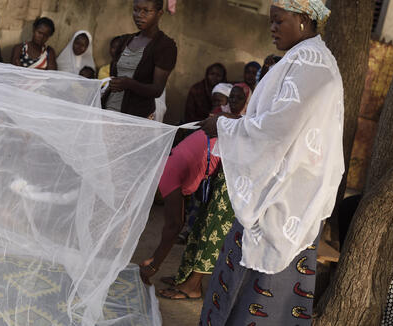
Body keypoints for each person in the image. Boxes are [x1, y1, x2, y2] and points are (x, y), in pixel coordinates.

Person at [198, 0, 343, 324]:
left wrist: (224, 125)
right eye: (270, 22)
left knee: (262, 291)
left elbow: (278, 129)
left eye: (279, 21)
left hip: (284, 201)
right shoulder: (308, 58)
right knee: (252, 285)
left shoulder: (310, 64)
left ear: (304, 19)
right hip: (283, 196)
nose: (272, 28)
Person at [157, 86, 250, 300]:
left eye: (240, 97)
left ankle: (193, 286)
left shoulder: (247, 120)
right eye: (232, 97)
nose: (234, 100)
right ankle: (184, 277)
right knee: (199, 228)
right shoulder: (227, 118)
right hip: (221, 179)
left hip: (236, 182)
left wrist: (224, 121)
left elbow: (248, 130)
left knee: (212, 232)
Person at [140, 129, 221, 285]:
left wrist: (154, 265)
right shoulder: (168, 162)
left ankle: (192, 285)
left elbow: (174, 225)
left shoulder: (165, 175)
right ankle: (187, 278)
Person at [102, 0, 177, 119]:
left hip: (135, 116)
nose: (139, 15)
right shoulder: (125, 40)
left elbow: (157, 90)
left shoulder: (165, 46)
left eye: (146, 11)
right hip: (109, 110)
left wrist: (129, 83)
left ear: (159, 13)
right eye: (136, 10)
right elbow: (114, 75)